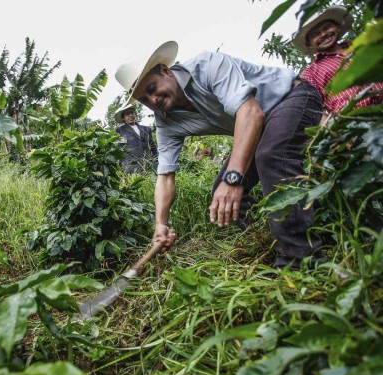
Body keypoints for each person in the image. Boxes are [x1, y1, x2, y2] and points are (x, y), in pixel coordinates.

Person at [114, 41, 324, 269]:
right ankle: (276, 235)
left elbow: (251, 113)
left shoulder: (209, 65)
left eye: (152, 88)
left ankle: (300, 261)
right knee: (222, 193)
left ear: (166, 71)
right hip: (260, 128)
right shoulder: (165, 122)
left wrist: (233, 178)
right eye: (144, 99)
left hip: (292, 97)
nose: (153, 100)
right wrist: (160, 224)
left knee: (271, 156)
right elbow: (165, 175)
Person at [292, 5, 383, 118]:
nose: (323, 34)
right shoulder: (310, 73)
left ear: (338, 27)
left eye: (326, 27)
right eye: (315, 34)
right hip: (355, 120)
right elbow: (311, 108)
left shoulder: (360, 45)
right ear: (309, 44)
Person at [114, 104, 158, 173]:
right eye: (127, 114)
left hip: (147, 165)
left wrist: (156, 161)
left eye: (132, 113)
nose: (131, 115)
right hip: (130, 167)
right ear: (123, 118)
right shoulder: (119, 131)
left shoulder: (146, 129)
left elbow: (152, 147)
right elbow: (117, 150)